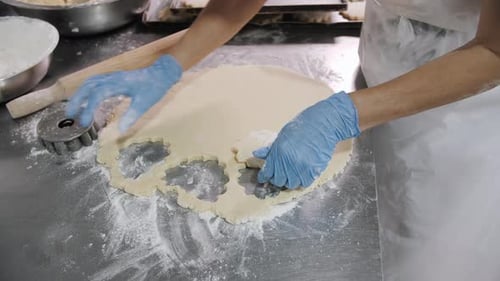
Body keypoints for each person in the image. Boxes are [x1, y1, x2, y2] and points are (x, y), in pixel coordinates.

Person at [67, 1, 500, 279]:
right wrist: (173, 63)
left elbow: (495, 50)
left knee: (430, 259)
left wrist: (344, 114)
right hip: (385, 49)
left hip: (464, 101)